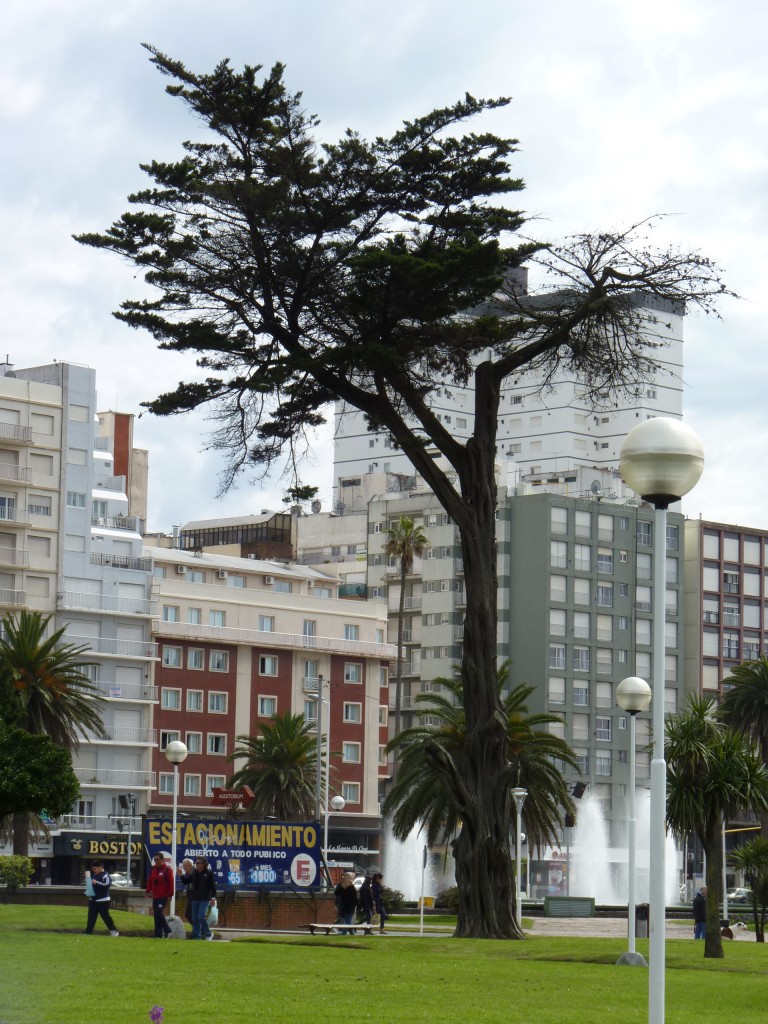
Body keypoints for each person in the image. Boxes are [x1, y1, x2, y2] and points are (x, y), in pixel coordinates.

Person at [178, 856, 217, 939]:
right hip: (194, 898)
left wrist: (213, 898)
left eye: (199, 863)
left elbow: (213, 886)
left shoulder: (209, 873)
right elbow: (186, 881)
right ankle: (196, 937)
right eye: (196, 863)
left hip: (204, 898)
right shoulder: (194, 873)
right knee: (194, 918)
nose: (197, 864)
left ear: (204, 864)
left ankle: (208, 933)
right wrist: (181, 875)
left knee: (200, 916)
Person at [84, 860, 119, 937]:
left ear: (100, 867)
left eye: (95, 868)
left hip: (103, 900)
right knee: (91, 917)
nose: (94, 870)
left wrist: (96, 883)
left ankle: (113, 931)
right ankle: (88, 932)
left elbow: (106, 886)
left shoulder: (105, 875)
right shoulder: (94, 875)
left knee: (106, 917)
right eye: (93, 869)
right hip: (93, 899)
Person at [146, 851, 174, 938]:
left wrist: (170, 895)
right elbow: (150, 880)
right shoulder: (153, 868)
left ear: (162, 860)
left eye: (157, 859)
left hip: (163, 896)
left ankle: (167, 930)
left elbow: (171, 883)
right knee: (156, 914)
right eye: (154, 859)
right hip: (155, 895)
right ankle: (158, 933)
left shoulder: (167, 870)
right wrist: (147, 891)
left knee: (158, 912)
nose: (156, 861)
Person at [178, 858, 195, 924]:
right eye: (183, 865)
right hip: (191, 897)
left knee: (190, 914)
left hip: (196, 897)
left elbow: (187, 881)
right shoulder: (189, 873)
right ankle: (198, 930)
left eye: (185, 865)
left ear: (190, 865)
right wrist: (181, 875)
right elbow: (186, 882)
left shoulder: (194, 873)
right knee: (189, 914)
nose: (184, 867)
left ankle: (199, 930)